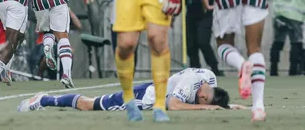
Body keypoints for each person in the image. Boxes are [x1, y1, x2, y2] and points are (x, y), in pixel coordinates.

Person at [17, 68, 248, 112]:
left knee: (92, 104)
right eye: (203, 103)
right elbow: (174, 106)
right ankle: (44, 99)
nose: (200, 105)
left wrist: (232, 107)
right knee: (91, 105)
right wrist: (206, 110)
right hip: (142, 98)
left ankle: (45, 100)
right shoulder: (190, 83)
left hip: (153, 87)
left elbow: (217, 103)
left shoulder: (209, 78)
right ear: (204, 96)